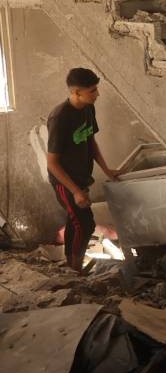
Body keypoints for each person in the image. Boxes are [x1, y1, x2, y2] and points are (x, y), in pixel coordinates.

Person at [46, 68, 120, 272]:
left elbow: (90, 141)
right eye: (92, 91)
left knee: (75, 221)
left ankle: (71, 265)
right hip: (64, 181)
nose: (97, 94)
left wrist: (107, 169)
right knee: (85, 224)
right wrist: (75, 191)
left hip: (81, 177)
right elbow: (52, 162)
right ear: (76, 92)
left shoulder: (88, 108)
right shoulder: (60, 118)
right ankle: (76, 269)